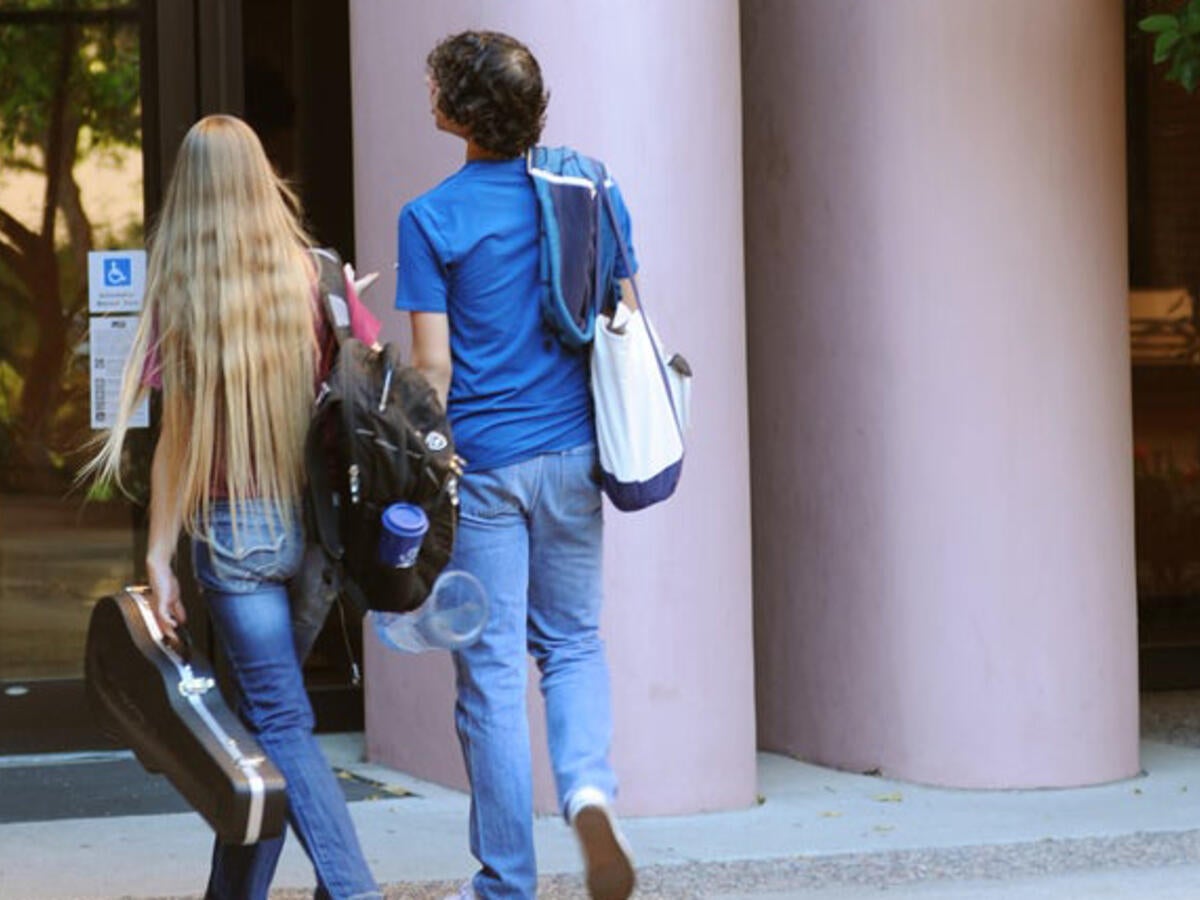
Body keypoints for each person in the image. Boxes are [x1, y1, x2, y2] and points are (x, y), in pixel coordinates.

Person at [86, 114, 383, 900]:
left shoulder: (183, 289)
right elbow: (358, 389)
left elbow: (177, 441)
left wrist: (157, 558)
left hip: (237, 540)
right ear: (262, 179)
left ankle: (355, 892)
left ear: (191, 190)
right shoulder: (316, 273)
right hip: (316, 539)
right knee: (256, 732)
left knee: (279, 726)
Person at [395, 30, 638, 900]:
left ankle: (506, 882)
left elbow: (432, 371)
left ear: (459, 111)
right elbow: (625, 317)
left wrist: (426, 469)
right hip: (575, 455)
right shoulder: (589, 186)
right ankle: (588, 791)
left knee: (491, 674)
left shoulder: (430, 218)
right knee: (572, 643)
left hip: (486, 466)